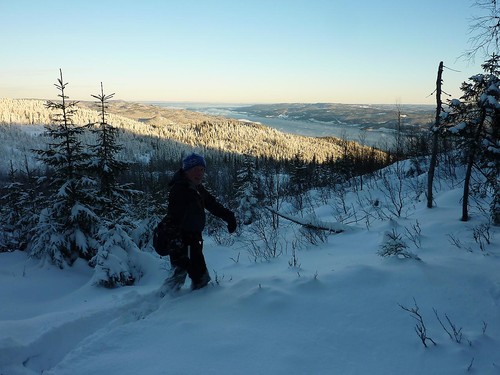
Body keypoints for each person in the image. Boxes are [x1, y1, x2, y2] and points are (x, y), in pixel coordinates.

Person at [159, 152, 237, 293]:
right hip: (181, 240)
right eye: (195, 169)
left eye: (202, 169)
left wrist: (229, 216)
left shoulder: (196, 188)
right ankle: (164, 301)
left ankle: (193, 301)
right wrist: (177, 245)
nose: (199, 173)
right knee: (180, 274)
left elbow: (212, 204)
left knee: (199, 277)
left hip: (193, 239)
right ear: (186, 170)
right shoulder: (180, 189)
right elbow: (173, 219)